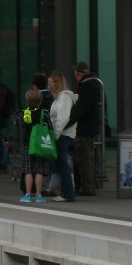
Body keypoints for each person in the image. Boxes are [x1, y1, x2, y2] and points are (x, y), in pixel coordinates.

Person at [68, 61, 102, 196]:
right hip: (92, 126)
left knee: (83, 159)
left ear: (77, 73)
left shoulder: (85, 85)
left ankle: (87, 188)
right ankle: (90, 186)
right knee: (89, 158)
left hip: (83, 126)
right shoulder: (96, 83)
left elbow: (82, 107)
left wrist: (69, 121)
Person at [47, 71, 76, 202]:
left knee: (62, 163)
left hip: (62, 134)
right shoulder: (60, 98)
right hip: (62, 133)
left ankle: (67, 193)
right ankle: (66, 191)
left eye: (50, 83)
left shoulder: (64, 98)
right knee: (61, 162)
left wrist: (56, 134)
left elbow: (62, 118)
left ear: (57, 83)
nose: (48, 87)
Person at [19, 88, 49, 203]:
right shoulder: (43, 112)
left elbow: (25, 125)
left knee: (28, 170)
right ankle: (38, 195)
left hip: (27, 143)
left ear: (27, 101)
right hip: (40, 143)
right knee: (39, 170)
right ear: (40, 101)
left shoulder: (25, 112)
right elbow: (48, 126)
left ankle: (27, 194)